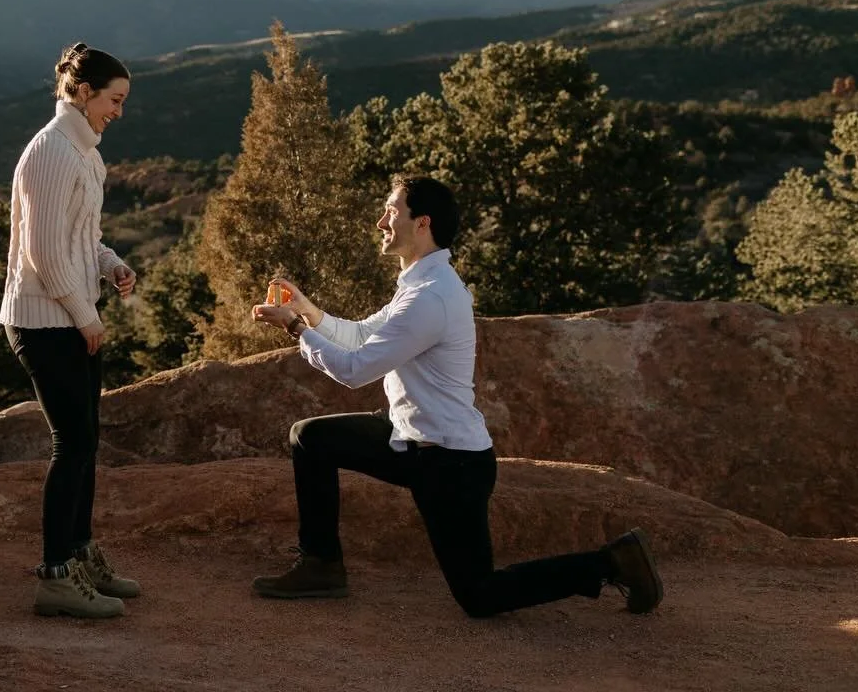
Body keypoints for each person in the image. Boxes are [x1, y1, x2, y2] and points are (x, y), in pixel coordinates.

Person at [249, 174, 663, 618]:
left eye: (391, 210)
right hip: (408, 442)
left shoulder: (432, 297)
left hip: (451, 464)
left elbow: (355, 370)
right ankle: (321, 566)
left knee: (479, 596)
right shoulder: (420, 285)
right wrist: (310, 314)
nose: (380, 221)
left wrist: (294, 328)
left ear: (422, 222)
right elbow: (363, 336)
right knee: (311, 438)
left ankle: (613, 562)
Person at [0, 41, 141, 619]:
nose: (118, 111)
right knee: (72, 443)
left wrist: (111, 266)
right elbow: (42, 255)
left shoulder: (85, 152)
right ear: (82, 93)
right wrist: (88, 318)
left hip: (71, 316)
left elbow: (80, 240)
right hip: (44, 321)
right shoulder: (52, 152)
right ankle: (55, 576)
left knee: (86, 443)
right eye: (114, 99)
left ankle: (79, 557)